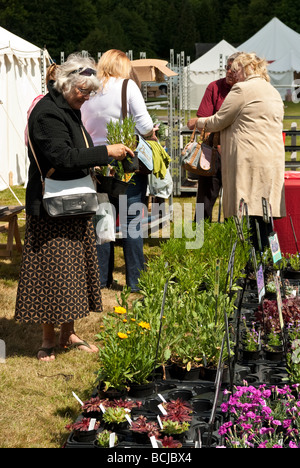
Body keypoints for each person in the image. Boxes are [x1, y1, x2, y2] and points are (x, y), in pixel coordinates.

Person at [15, 53, 132, 362]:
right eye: (84, 90)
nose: (88, 96)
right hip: (52, 207)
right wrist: (105, 152)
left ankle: (69, 333)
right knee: (52, 276)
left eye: (91, 91)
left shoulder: (68, 107)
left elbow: (75, 152)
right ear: (66, 84)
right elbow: (63, 158)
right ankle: (47, 340)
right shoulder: (47, 113)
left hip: (73, 202)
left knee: (73, 275)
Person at [81, 49, 155, 292]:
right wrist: (152, 134)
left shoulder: (89, 89)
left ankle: (102, 279)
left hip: (98, 161)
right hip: (126, 162)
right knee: (132, 222)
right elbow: (144, 125)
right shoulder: (127, 86)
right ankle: (135, 282)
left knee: (103, 223)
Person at [195, 52, 286, 249]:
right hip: (271, 160)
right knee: (265, 215)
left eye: (235, 70)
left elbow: (218, 120)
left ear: (244, 70)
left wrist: (198, 122)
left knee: (246, 214)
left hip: (247, 161)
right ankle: (269, 264)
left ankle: (248, 263)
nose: (233, 75)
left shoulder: (242, 89)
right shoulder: (272, 91)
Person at [187, 53, 240, 221]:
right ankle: (198, 236)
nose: (229, 72)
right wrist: (216, 143)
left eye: (234, 68)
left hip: (238, 152)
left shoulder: (246, 91)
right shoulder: (214, 87)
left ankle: (232, 237)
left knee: (236, 199)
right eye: (227, 68)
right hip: (214, 152)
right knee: (205, 197)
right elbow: (203, 120)